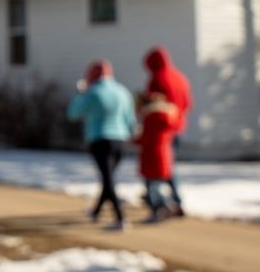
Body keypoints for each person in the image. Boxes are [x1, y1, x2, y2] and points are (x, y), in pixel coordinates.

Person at [67, 60, 137, 231]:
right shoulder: (122, 91)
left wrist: (80, 94)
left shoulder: (92, 92)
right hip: (121, 140)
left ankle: (121, 218)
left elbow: (73, 113)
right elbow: (130, 119)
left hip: (100, 139)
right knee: (108, 179)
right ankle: (96, 212)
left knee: (108, 180)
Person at [143, 45, 191, 216]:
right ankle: (176, 200)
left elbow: (154, 106)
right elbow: (187, 103)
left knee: (155, 166)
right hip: (176, 127)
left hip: (160, 129)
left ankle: (157, 202)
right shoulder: (180, 77)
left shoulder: (157, 79)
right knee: (167, 165)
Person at [136, 92, 179, 223]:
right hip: (164, 154)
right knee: (158, 184)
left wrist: (135, 140)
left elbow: (146, 138)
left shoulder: (152, 117)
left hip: (152, 155)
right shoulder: (169, 115)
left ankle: (160, 209)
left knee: (153, 186)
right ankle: (169, 205)